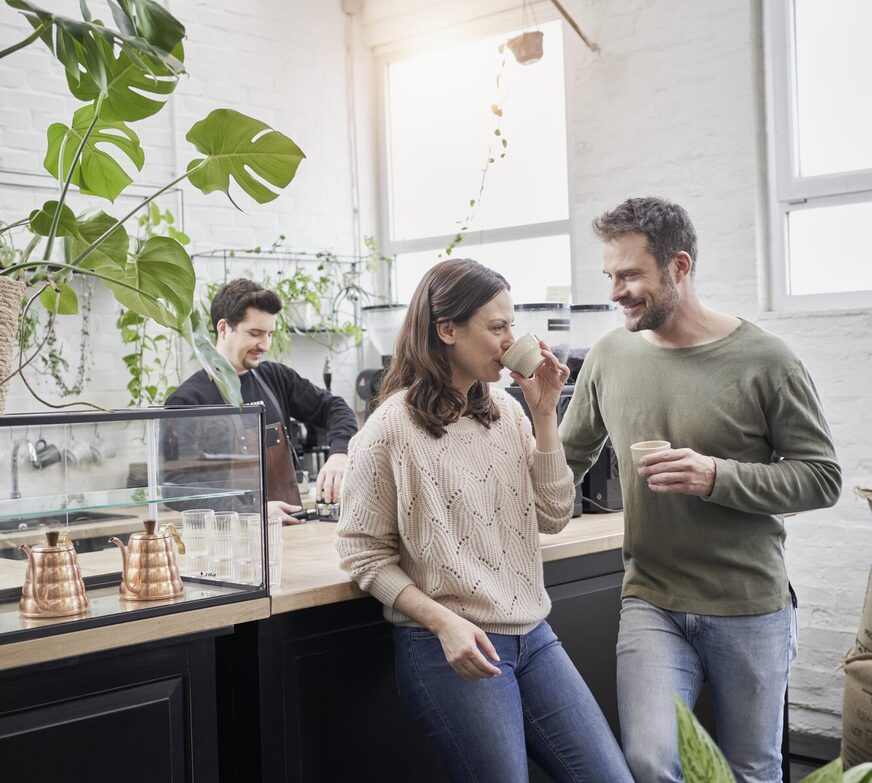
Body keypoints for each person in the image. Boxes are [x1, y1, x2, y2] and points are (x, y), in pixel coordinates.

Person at [559, 197, 842, 783]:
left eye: (631, 274)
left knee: (751, 770)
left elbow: (822, 477)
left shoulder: (767, 360)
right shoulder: (610, 357)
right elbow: (565, 462)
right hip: (652, 600)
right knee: (651, 762)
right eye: (610, 275)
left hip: (749, 606)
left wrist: (716, 476)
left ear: (679, 267)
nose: (616, 291)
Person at [335, 258, 633, 783]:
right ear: (447, 330)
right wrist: (444, 622)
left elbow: (555, 514)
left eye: (511, 326)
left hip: (533, 635)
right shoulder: (390, 428)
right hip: (447, 645)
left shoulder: (507, 412)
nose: (510, 340)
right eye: (497, 327)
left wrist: (545, 414)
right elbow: (362, 553)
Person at [166, 278, 358, 521]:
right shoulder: (186, 401)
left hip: (289, 532)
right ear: (224, 328)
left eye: (269, 334)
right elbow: (175, 487)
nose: (265, 345)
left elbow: (335, 408)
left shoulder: (276, 378)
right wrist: (250, 511)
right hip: (226, 542)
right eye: (255, 333)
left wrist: (340, 453)